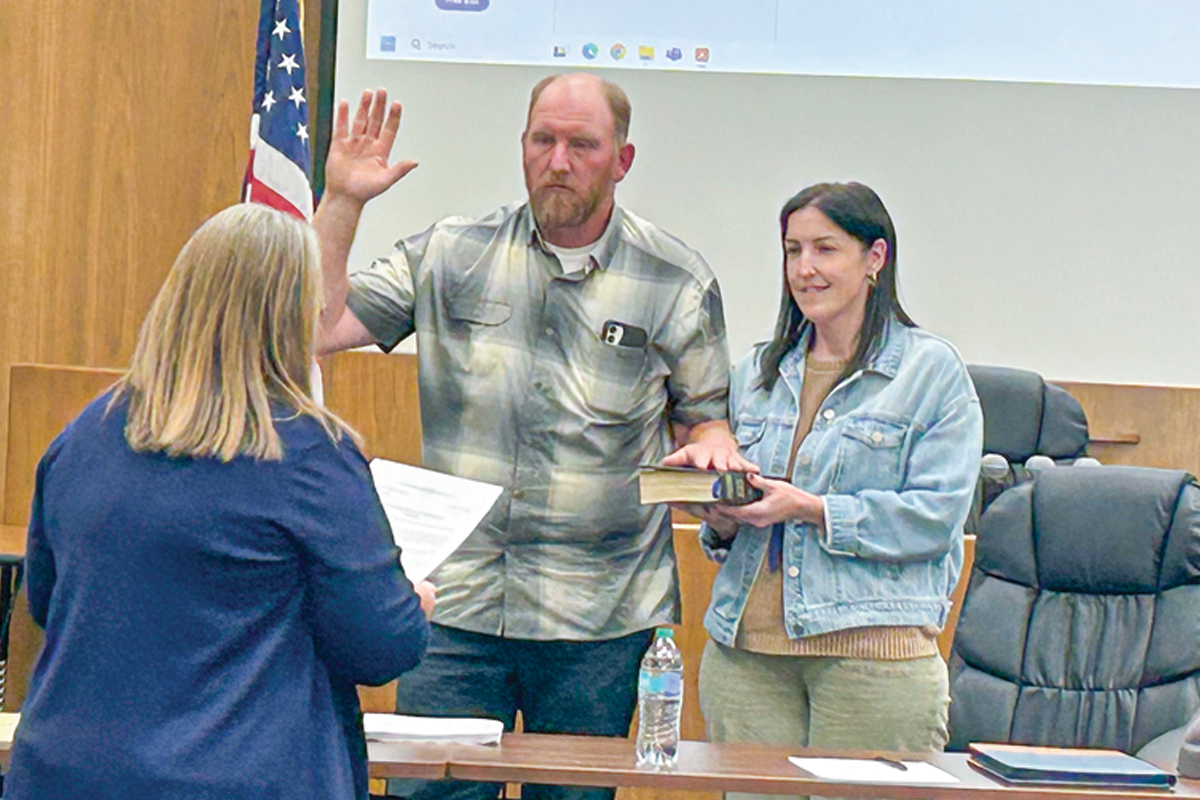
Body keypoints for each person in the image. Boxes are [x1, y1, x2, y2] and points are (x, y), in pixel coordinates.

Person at [313, 73, 746, 800]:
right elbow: (320, 327)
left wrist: (713, 450)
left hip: (599, 622)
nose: (558, 160)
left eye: (582, 145)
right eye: (543, 140)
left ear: (622, 160)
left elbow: (705, 422)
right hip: (456, 607)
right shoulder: (453, 252)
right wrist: (344, 203)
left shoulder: (674, 280)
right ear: (522, 147)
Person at [4, 204, 434, 800]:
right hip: (239, 778)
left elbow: (51, 602)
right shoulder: (309, 454)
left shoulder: (82, 436)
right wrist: (412, 604)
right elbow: (381, 645)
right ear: (290, 315)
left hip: (62, 775)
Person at [689, 182, 983, 800]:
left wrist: (812, 509)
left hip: (873, 659)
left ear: (875, 258)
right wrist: (718, 513)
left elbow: (934, 517)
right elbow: (728, 523)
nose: (805, 269)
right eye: (793, 250)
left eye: (825, 249)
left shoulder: (929, 372)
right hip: (746, 657)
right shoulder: (757, 372)